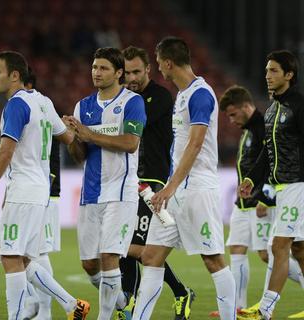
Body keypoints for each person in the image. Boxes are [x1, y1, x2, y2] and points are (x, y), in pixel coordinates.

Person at [130, 36, 236, 320]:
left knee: (213, 260)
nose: (159, 70)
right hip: (175, 193)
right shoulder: (183, 95)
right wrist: (171, 188)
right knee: (151, 256)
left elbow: (196, 144)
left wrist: (170, 186)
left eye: (158, 64)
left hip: (197, 191)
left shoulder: (201, 94)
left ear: (167, 63)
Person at [0, 51, 90, 320]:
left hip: (25, 189)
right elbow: (67, 138)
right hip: (40, 190)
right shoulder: (43, 102)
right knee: (15, 255)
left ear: (15, 75)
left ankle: (18, 316)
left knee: (10, 258)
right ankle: (70, 304)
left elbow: (6, 151)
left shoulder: (17, 105)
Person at [115, 45, 195, 320]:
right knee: (130, 245)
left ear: (148, 69)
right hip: (127, 179)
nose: (132, 78)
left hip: (152, 180)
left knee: (134, 247)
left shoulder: (160, 97)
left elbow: (134, 129)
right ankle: (179, 292)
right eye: (127, 73)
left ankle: (131, 301)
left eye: (137, 71)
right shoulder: (125, 97)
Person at [66, 47, 146, 320]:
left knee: (109, 256)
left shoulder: (132, 102)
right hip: (90, 194)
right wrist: (72, 137)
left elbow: (131, 143)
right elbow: (79, 156)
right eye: (94, 67)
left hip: (121, 192)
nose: (96, 73)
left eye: (103, 68)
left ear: (119, 73)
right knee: (90, 265)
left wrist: (90, 135)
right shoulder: (83, 106)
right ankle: (124, 302)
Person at [238, 50, 304, 320]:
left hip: (298, 185)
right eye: (266, 71)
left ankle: (265, 309)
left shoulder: (298, 105)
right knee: (299, 249)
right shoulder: (272, 110)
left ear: (289, 75)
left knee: (278, 246)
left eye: (274, 70)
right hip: (283, 187)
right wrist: (252, 178)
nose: (267, 75)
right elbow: (268, 154)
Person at [215, 85, 274, 314]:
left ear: (246, 106)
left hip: (259, 202)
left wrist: (265, 197)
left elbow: (272, 163)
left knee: (267, 254)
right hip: (243, 203)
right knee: (237, 248)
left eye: (233, 114)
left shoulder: (262, 127)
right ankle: (237, 307)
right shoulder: (248, 130)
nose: (230, 120)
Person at [21, 68, 62, 320]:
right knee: (18, 252)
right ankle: (34, 303)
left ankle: (44, 309)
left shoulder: (36, 108)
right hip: (38, 190)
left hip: (44, 192)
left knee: (36, 252)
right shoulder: (45, 107)